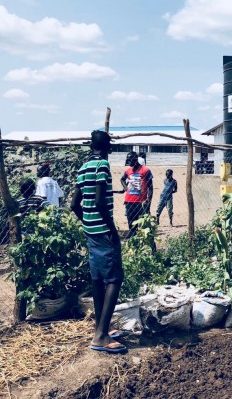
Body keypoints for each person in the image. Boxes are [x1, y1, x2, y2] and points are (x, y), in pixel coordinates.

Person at [71, 130, 127, 354]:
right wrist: (113, 230)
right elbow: (98, 201)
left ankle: (101, 328)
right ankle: (101, 336)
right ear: (109, 148)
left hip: (90, 231)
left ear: (90, 146)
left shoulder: (83, 168)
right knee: (114, 278)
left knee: (97, 278)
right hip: (104, 231)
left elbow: (75, 203)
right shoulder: (102, 166)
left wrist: (87, 221)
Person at [121, 151, 153, 239]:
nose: (128, 163)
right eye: (128, 161)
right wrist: (126, 189)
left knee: (145, 227)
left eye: (130, 160)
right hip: (129, 202)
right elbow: (122, 179)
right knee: (131, 225)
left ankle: (152, 248)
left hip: (141, 203)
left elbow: (150, 187)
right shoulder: (128, 171)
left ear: (135, 159)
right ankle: (134, 245)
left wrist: (148, 201)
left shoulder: (145, 170)